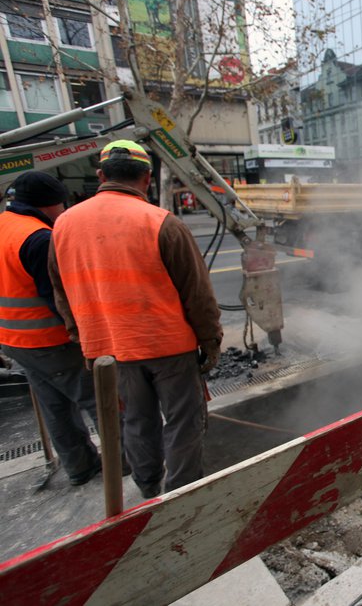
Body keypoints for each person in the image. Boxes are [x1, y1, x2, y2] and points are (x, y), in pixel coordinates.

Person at [48, 140, 223, 499]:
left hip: (109, 351)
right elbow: (198, 295)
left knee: (135, 422)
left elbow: (61, 293)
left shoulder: (63, 226)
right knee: (183, 423)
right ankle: (181, 495)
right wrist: (210, 342)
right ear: (147, 178)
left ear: (100, 175)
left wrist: (82, 340)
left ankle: (147, 489)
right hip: (168, 347)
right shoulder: (161, 222)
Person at [0, 172, 102, 486]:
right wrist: (89, 339)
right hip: (50, 340)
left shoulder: (4, 225)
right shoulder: (39, 238)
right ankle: (127, 460)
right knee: (102, 400)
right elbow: (58, 300)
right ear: (50, 204)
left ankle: (80, 467)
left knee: (54, 406)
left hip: (14, 340)